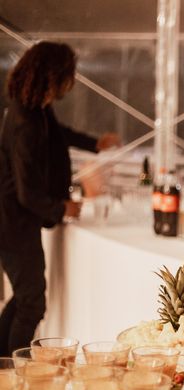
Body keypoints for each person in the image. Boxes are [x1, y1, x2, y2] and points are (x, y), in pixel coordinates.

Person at [0, 42, 120, 357]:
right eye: (69, 75)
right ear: (53, 76)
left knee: (25, 296)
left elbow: (59, 134)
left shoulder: (35, 107)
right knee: (32, 302)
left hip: (17, 218)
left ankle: (3, 360)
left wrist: (96, 143)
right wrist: (60, 208)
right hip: (12, 221)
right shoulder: (25, 121)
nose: (72, 81)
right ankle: (14, 370)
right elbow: (26, 194)